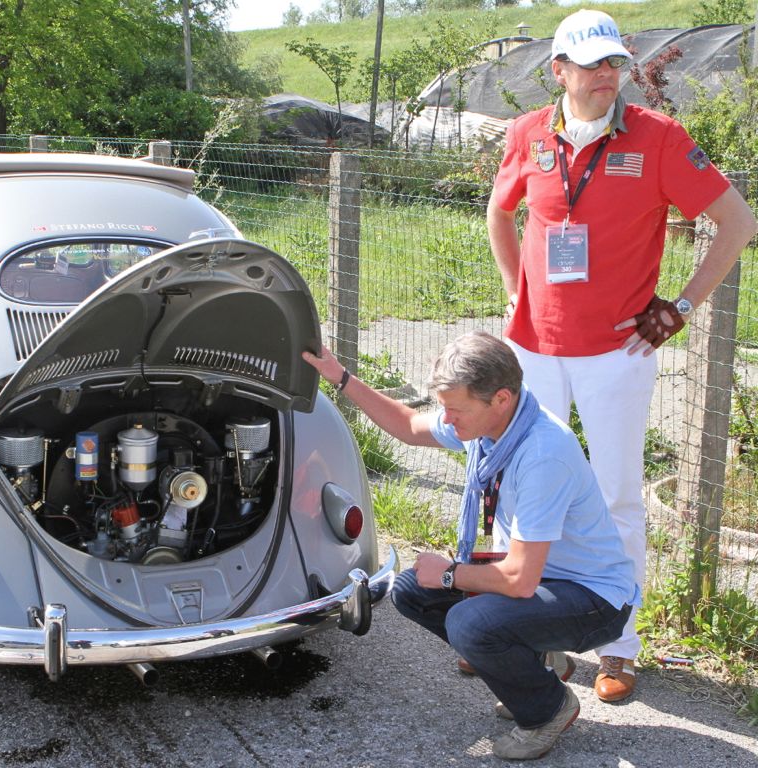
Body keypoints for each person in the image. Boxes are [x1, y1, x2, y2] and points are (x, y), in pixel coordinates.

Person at [486, 9, 758, 703]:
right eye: (591, 64)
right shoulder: (528, 133)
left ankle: (620, 645)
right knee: (520, 491)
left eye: (614, 63)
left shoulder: (660, 138)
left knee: (613, 498)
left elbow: (737, 221)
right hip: (534, 352)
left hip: (617, 352)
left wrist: (683, 306)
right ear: (558, 71)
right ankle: (518, 633)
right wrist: (520, 293)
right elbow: (500, 213)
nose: (607, 76)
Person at [304, 332, 638, 761]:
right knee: (410, 591)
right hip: (545, 581)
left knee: (470, 624)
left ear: (500, 398)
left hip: (594, 601)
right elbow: (407, 426)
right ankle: (538, 660)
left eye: (455, 409)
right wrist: (340, 376)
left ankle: (548, 709)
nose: (447, 419)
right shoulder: (492, 423)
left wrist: (449, 573)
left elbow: (518, 580)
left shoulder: (542, 454)